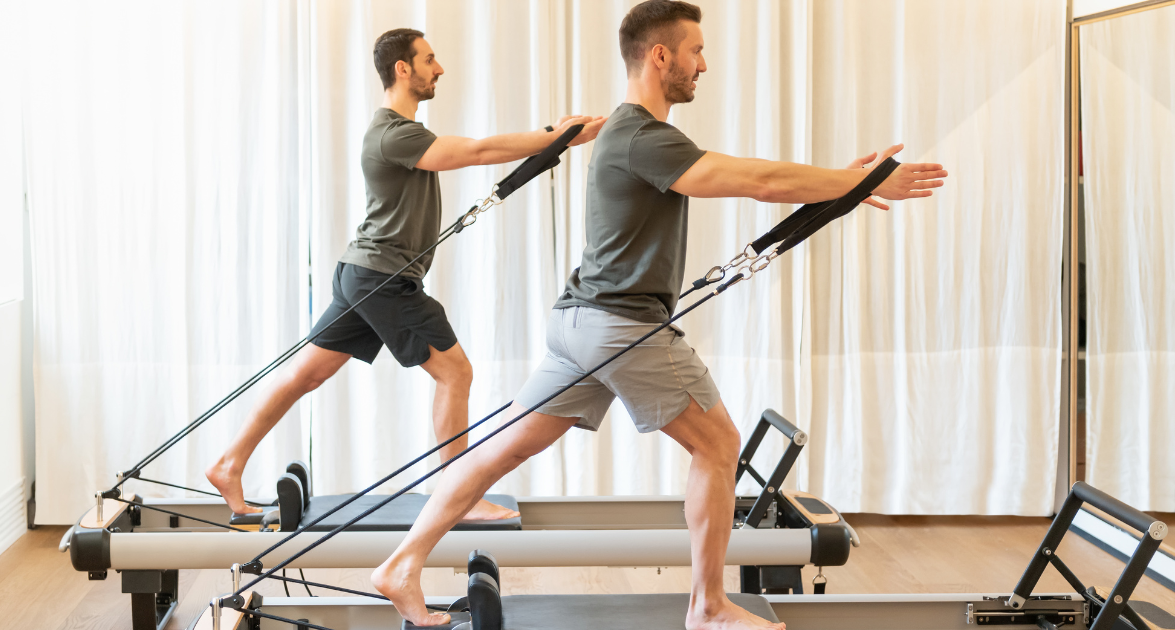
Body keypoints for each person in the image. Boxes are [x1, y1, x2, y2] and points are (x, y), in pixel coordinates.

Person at [370, 2, 947, 628]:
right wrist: (854, 181)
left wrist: (845, 185)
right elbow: (757, 181)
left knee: (502, 449)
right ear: (660, 55)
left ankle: (402, 562)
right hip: (619, 326)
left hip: (580, 322)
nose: (705, 64)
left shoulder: (629, 131)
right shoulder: (643, 136)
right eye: (696, 50)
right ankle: (709, 607)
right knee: (720, 445)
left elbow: (762, 179)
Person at [206, 28, 605, 520]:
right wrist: (557, 135)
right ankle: (456, 496)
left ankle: (228, 463)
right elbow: (477, 152)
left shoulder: (397, 132)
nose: (439, 69)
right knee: (456, 373)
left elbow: (478, 151)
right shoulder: (394, 133)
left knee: (304, 376)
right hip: (381, 279)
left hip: (364, 273)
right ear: (403, 68)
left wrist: (554, 136)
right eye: (430, 60)